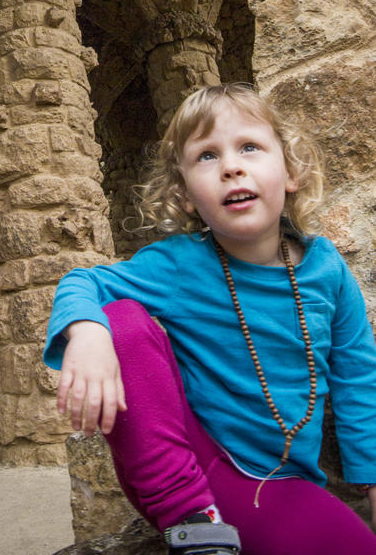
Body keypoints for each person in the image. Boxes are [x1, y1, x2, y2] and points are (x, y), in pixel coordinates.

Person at [44, 84, 376, 555]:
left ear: (291, 172)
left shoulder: (327, 271)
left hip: (280, 483)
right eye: (206, 156)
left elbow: (358, 378)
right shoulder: (180, 264)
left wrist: (373, 483)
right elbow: (83, 282)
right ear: (183, 195)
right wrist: (88, 332)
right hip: (186, 470)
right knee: (120, 318)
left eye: (249, 147)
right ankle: (195, 527)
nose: (231, 166)